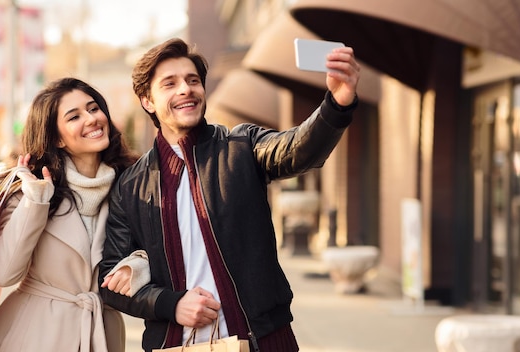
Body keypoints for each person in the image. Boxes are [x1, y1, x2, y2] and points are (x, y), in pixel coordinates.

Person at [99, 37, 360, 352]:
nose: (185, 89)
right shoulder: (131, 187)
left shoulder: (241, 146)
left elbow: (297, 149)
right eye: (170, 83)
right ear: (148, 101)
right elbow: (111, 281)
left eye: (193, 80)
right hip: (175, 344)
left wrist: (338, 103)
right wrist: (171, 304)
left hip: (262, 339)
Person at [0, 77, 144, 352]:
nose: (92, 119)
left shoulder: (133, 185)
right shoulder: (29, 191)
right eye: (74, 116)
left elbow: (153, 248)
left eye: (94, 109)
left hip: (100, 332)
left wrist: (138, 267)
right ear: (56, 137)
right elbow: (4, 274)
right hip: (32, 336)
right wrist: (35, 202)